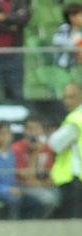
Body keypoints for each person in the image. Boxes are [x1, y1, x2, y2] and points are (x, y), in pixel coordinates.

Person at [11, 117, 61, 219]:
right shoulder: (16, 148)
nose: (33, 132)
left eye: (36, 129)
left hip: (42, 185)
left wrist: (43, 183)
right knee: (48, 199)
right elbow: (25, 176)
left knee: (62, 196)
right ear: (24, 131)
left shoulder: (47, 148)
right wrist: (35, 153)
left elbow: (52, 174)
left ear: (42, 130)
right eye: (29, 129)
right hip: (22, 185)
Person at [49, 82, 82, 218]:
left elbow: (54, 143)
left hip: (75, 178)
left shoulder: (76, 118)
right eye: (65, 97)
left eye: (71, 97)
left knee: (72, 222)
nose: (66, 101)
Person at [52, 4, 82, 70]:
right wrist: (76, 46)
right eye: (80, 15)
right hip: (63, 68)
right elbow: (57, 41)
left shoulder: (78, 32)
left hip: (75, 66)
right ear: (72, 17)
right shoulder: (64, 29)